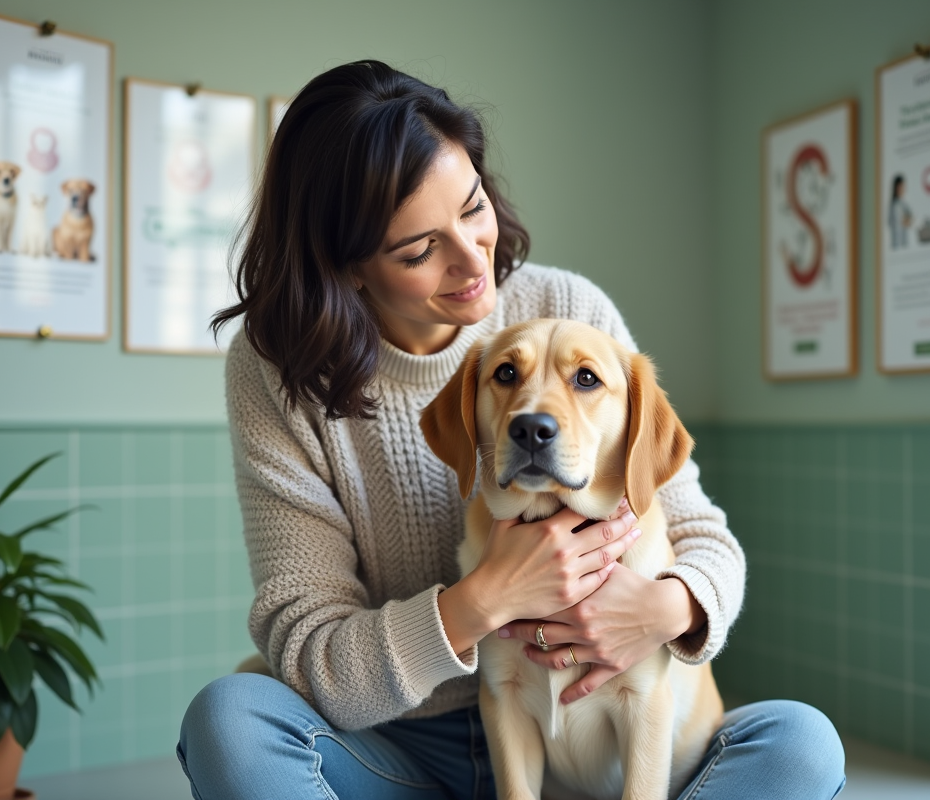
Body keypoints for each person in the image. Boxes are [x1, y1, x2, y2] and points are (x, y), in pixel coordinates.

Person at [177, 60, 845, 800]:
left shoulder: (566, 308)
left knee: (801, 745)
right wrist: (484, 599)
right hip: (402, 744)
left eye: (472, 208)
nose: (472, 262)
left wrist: (660, 609)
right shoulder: (277, 372)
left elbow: (701, 535)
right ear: (349, 269)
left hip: (601, 737)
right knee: (230, 720)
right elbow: (308, 649)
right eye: (418, 249)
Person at [888, 174, 912, 249]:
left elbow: (910, 219)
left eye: (902, 186)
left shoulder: (904, 204)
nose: (901, 189)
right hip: (897, 243)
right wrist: (904, 220)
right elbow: (893, 223)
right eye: (899, 187)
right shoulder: (894, 205)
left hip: (904, 242)